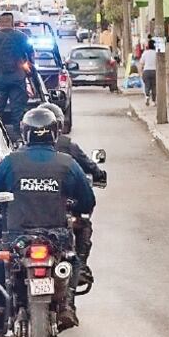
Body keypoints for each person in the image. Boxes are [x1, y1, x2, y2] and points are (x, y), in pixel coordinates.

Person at [0, 108, 95, 337]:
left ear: (25, 133)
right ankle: (67, 303)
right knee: (73, 261)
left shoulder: (11, 162)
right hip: (57, 238)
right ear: (55, 132)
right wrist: (78, 209)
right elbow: (87, 201)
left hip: (16, 238)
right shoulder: (67, 163)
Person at [39, 102, 105, 269]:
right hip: (62, 208)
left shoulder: (19, 154)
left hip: (31, 213)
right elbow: (88, 169)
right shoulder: (68, 149)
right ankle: (80, 266)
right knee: (83, 224)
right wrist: (99, 175)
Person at [0, 11, 34, 129]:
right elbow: (31, 55)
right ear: (12, 23)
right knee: (18, 110)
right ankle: (17, 134)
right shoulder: (22, 37)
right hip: (17, 78)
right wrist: (28, 68)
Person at [138, 39, 158, 106]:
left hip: (146, 71)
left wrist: (140, 73)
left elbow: (141, 63)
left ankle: (147, 96)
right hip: (155, 71)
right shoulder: (156, 53)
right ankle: (153, 101)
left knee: (147, 85)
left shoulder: (145, 53)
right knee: (154, 86)